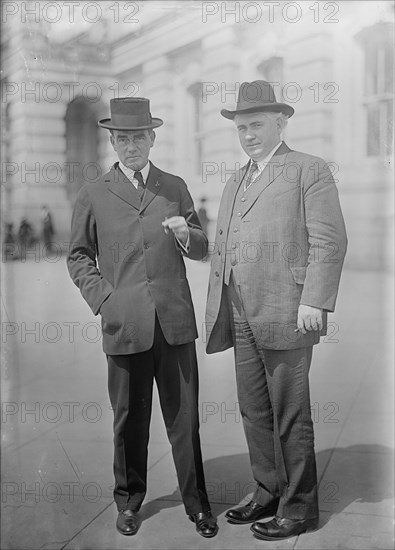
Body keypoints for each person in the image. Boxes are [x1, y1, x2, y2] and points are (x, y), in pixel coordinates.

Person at [67, 97, 217, 538]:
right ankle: (129, 501)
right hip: (124, 324)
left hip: (174, 323)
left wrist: (187, 234)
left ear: (152, 138)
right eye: (122, 138)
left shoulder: (174, 187)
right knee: (128, 419)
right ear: (113, 142)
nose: (131, 145)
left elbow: (204, 247)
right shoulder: (93, 193)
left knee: (184, 419)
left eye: (139, 137)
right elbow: (77, 256)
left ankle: (198, 504)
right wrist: (104, 300)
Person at [205, 81, 347, 541]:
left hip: (287, 309)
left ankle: (300, 508)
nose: (248, 134)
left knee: (290, 412)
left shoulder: (309, 169)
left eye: (257, 124)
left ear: (281, 123)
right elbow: (224, 244)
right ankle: (268, 491)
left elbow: (329, 240)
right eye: (242, 126)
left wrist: (314, 300)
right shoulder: (235, 178)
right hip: (240, 311)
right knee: (253, 410)